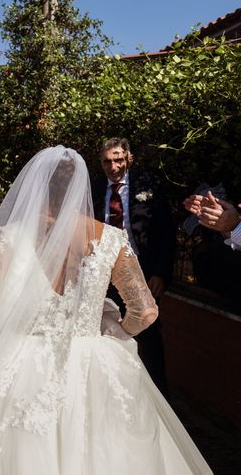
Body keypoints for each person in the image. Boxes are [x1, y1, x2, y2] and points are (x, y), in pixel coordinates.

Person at [0, 146, 212, 474]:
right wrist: (118, 331)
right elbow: (145, 312)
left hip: (21, 359)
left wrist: (1, 335)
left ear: (36, 187)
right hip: (93, 361)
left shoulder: (13, 236)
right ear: (80, 189)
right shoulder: (111, 239)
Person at [91, 138, 175, 394]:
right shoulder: (93, 189)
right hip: (102, 276)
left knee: (148, 335)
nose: (113, 166)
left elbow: (167, 231)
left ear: (128, 158)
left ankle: (156, 396)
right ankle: (118, 393)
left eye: (118, 159)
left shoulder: (149, 185)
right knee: (107, 334)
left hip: (142, 274)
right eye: (107, 161)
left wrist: (160, 272)